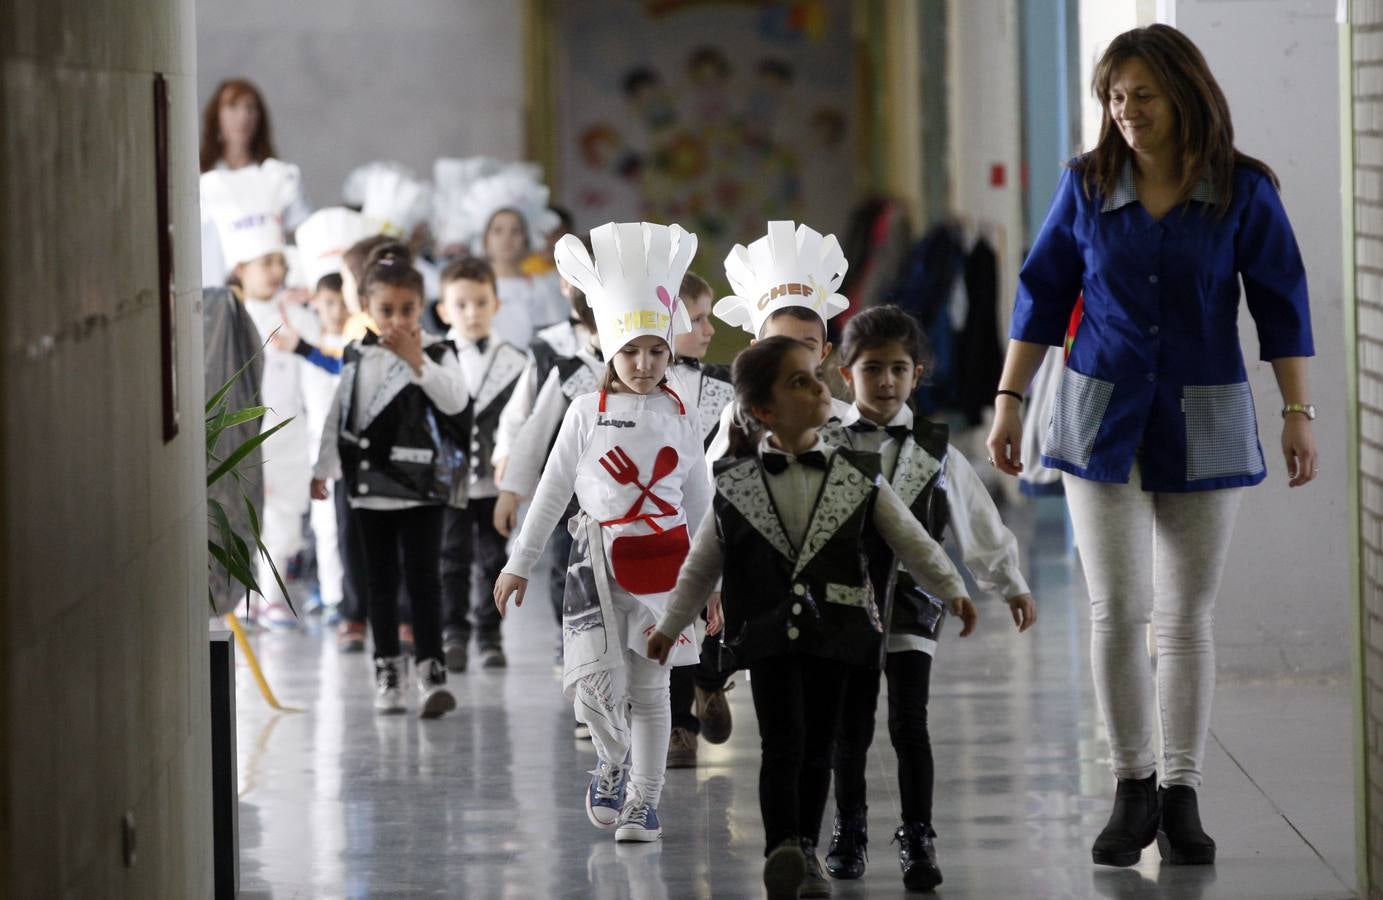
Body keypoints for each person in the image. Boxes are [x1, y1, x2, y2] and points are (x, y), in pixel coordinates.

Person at [984, 24, 1317, 869]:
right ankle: (1130, 786)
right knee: (1116, 610)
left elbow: (1281, 303)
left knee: (1184, 618)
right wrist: (1008, 400)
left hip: (1204, 408)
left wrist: (1296, 411)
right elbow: (1040, 292)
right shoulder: (1087, 186)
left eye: (1141, 95)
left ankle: (1181, 790)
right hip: (1097, 409)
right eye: (1113, 97)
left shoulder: (1242, 191)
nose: (1124, 112)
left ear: (1183, 93)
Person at [648, 335, 970, 900]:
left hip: (839, 633)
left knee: (820, 747)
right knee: (782, 744)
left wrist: (951, 588)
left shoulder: (857, 471)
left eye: (817, 377)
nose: (821, 388)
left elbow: (909, 538)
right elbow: (703, 561)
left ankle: (807, 848)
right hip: (768, 633)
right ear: (764, 411)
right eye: (801, 381)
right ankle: (783, 849)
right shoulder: (737, 479)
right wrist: (673, 625)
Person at [494, 222, 710, 844]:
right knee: (593, 685)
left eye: (656, 351)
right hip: (595, 564)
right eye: (631, 352)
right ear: (610, 352)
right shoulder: (585, 413)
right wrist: (519, 563)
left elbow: (699, 500)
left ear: (670, 352)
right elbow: (552, 491)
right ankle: (610, 762)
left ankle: (644, 800)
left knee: (650, 686)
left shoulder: (682, 413)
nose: (644, 364)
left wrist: (712, 584)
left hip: (667, 568)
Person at [822, 305, 1037, 891]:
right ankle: (850, 828)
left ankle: (918, 834)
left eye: (899, 369)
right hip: (845, 607)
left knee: (909, 722)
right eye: (872, 370)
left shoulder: (936, 449)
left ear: (918, 374)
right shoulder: (826, 443)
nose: (886, 382)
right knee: (851, 726)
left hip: (915, 604)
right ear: (847, 374)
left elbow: (976, 520)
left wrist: (1008, 582)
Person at [311, 242, 471, 717]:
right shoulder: (357, 355)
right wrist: (323, 469)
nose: (397, 319)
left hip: (423, 487)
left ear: (422, 308)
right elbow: (340, 414)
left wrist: (418, 362)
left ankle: (432, 670)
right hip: (369, 489)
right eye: (386, 310)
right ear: (366, 308)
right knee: (379, 582)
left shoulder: (439, 352)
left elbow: (456, 401)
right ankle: (387, 671)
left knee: (425, 580)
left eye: (407, 309)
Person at [201, 160, 319, 628]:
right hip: (241, 438)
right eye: (265, 262)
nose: (275, 271)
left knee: (286, 518)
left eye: (280, 262)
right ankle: (244, 591)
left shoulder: (296, 314)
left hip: (289, 434)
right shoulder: (222, 319)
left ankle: (274, 596)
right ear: (240, 266)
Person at [435, 257, 527, 671]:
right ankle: (454, 631)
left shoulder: (517, 361)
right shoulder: (433, 356)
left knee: (494, 559)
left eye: (480, 302)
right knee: (450, 557)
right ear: (443, 310)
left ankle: (490, 633)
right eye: (461, 304)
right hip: (447, 479)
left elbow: (523, 422)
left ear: (496, 304)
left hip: (495, 483)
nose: (471, 313)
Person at [703, 221, 857, 465]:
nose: (792, 358)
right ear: (756, 351)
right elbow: (715, 491)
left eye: (806, 346)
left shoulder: (849, 422)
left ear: (825, 352)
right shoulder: (739, 419)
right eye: (779, 344)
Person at [663, 270, 736, 768]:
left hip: (717, 520)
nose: (709, 330)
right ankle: (678, 727)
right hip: (667, 523)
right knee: (672, 623)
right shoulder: (646, 385)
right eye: (699, 318)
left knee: (716, 622)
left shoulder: (726, 383)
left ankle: (711, 684)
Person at [198, 79, 310, 286]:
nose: (243, 116)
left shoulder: (280, 177)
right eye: (233, 107)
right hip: (210, 287)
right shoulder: (198, 177)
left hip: (267, 290)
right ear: (217, 115)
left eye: (250, 108)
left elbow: (302, 232)